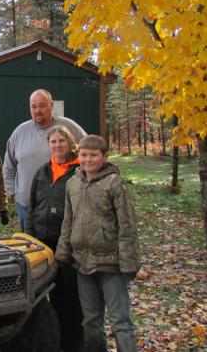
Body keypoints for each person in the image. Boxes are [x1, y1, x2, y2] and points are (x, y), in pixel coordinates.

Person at [55, 135, 141, 352]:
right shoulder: (73, 184)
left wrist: (129, 262)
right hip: (83, 264)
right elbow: (68, 221)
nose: (88, 160)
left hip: (110, 264)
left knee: (120, 321)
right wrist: (62, 253)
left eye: (93, 155)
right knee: (91, 321)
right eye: (84, 155)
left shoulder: (114, 183)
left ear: (104, 157)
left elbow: (127, 224)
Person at [26, 126, 84, 352]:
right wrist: (30, 236)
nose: (58, 145)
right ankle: (53, 340)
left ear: (70, 143)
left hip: (67, 244)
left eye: (62, 141)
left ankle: (73, 343)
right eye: (53, 142)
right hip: (42, 243)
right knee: (43, 296)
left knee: (70, 296)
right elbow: (32, 207)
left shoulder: (79, 172)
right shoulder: (43, 172)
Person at [4, 89, 85, 231]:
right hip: (26, 206)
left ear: (52, 105)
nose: (37, 111)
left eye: (42, 105)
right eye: (33, 107)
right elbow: (8, 168)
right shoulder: (20, 132)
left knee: (60, 248)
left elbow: (89, 153)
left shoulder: (68, 127)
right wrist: (14, 194)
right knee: (32, 250)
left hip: (61, 208)